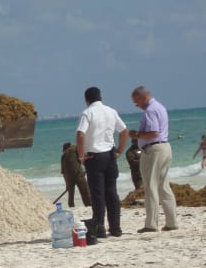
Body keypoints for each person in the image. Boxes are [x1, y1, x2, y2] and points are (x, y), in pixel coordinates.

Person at [76, 86, 129, 239]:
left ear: (86, 100)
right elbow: (124, 131)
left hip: (94, 157)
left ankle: (99, 229)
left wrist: (81, 156)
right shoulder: (111, 111)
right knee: (112, 192)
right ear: (101, 97)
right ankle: (115, 228)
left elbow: (80, 134)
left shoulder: (88, 113)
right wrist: (120, 151)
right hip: (110, 155)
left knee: (98, 195)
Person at [131, 85, 178, 233]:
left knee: (151, 186)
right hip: (164, 147)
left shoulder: (150, 110)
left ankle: (151, 224)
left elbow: (153, 133)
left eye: (136, 102)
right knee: (163, 186)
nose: (136, 105)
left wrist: (136, 135)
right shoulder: (160, 107)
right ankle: (171, 222)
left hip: (154, 149)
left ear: (143, 97)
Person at [60, 142, 91, 208]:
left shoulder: (63, 157)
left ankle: (71, 206)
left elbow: (63, 173)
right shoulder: (74, 148)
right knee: (85, 192)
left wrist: (67, 184)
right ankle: (89, 205)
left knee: (71, 194)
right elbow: (83, 155)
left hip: (69, 178)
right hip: (78, 174)